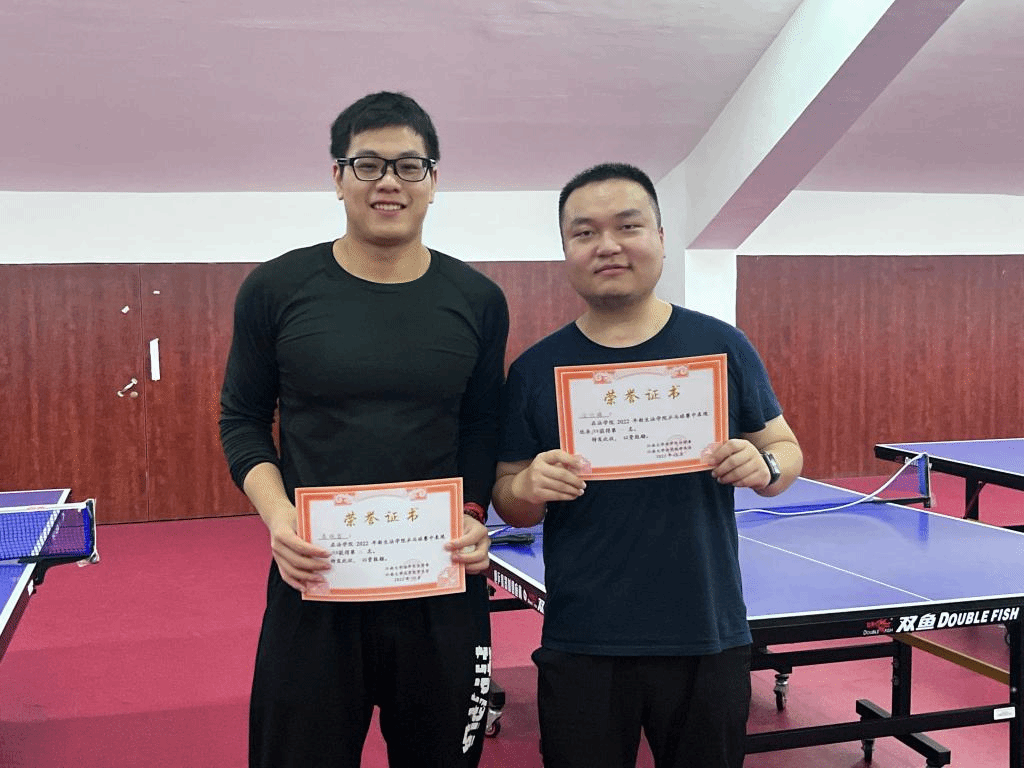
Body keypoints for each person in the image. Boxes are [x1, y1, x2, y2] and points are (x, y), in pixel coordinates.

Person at [219, 91, 509, 768]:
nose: (388, 181)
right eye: (368, 164)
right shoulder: (275, 289)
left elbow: (481, 424)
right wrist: (280, 519)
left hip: (440, 581)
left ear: (433, 180)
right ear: (338, 176)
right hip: (316, 578)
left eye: (409, 166)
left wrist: (474, 513)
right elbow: (242, 420)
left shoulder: (478, 300)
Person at [492, 162, 802, 768]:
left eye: (627, 226)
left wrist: (763, 463)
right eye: (584, 232)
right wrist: (528, 485)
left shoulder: (722, 346)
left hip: (706, 633)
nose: (607, 245)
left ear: (660, 238)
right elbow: (511, 501)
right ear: (566, 250)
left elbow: (785, 449)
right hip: (583, 638)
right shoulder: (534, 369)